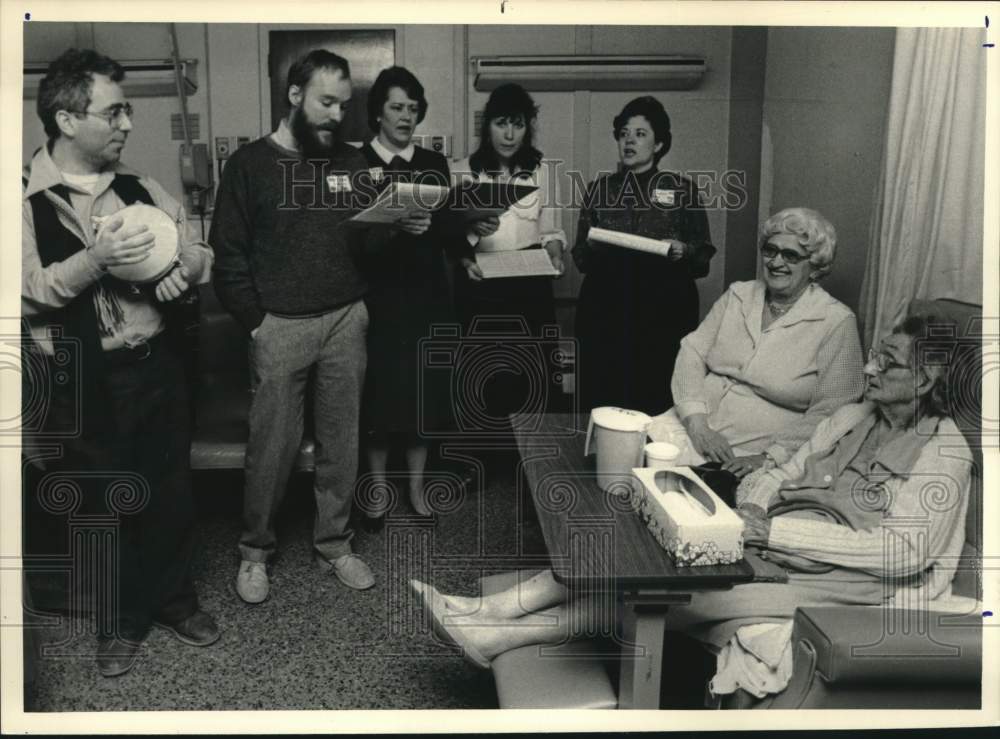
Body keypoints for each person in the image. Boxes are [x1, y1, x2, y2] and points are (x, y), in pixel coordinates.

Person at [412, 313, 971, 692]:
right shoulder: (854, 416)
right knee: (640, 539)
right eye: (875, 356)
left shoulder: (944, 451)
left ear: (925, 378)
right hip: (775, 538)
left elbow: (901, 553)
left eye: (888, 363)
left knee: (668, 592)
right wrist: (749, 507)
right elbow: (780, 470)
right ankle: (490, 609)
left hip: (849, 578)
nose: (870, 368)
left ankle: (498, 632)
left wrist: (767, 533)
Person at [21, 48, 218, 677]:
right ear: (67, 119)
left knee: (171, 493)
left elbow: (197, 249)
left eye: (126, 109)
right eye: (115, 112)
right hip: (83, 374)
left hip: (156, 365)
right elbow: (25, 289)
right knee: (102, 505)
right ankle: (120, 620)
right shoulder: (23, 200)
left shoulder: (139, 187)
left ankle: (173, 601)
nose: (128, 124)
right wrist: (97, 260)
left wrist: (182, 272)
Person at [210, 50, 406, 602]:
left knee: (342, 442)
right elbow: (228, 256)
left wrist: (399, 223)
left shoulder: (351, 163)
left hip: (347, 319)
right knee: (271, 448)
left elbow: (369, 243)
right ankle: (255, 553)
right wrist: (257, 325)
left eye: (343, 106)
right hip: (281, 327)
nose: (336, 116)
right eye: (326, 102)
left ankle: (336, 544)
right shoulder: (249, 166)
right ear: (294, 96)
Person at [648, 207, 865, 477]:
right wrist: (697, 424)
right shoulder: (739, 295)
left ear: (815, 265)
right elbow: (691, 351)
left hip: (750, 452)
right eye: (770, 250)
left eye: (791, 255)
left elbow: (834, 409)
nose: (776, 262)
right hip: (689, 425)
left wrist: (769, 457)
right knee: (619, 459)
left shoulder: (836, 320)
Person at [573, 96, 715, 416]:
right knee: (603, 392)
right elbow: (580, 256)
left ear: (659, 143)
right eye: (624, 133)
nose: (629, 141)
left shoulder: (682, 190)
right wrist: (594, 246)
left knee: (654, 393)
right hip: (606, 304)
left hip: (661, 307)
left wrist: (683, 250)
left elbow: (703, 254)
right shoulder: (599, 188)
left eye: (640, 134)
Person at [356, 66, 454, 525]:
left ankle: (416, 488)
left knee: (421, 395)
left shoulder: (433, 165)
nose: (406, 117)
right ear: (378, 112)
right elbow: (349, 237)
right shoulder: (356, 164)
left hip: (425, 295)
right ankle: (376, 486)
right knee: (378, 395)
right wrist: (394, 226)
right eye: (397, 107)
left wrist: (472, 225)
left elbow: (448, 230)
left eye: (413, 109)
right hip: (376, 298)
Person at [450, 83, 566, 432]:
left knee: (533, 376)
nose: (510, 134)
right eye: (501, 123)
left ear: (528, 126)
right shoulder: (462, 170)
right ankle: (483, 462)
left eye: (517, 124)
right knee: (481, 374)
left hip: (530, 288)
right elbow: (449, 237)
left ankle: (531, 463)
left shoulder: (543, 170)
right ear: (487, 127)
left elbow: (551, 231)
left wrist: (555, 257)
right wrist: (466, 255)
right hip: (482, 287)